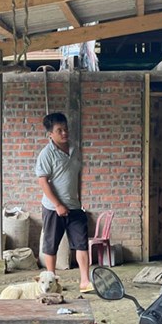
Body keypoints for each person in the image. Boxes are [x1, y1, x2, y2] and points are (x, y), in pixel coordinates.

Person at [35, 112, 94, 293]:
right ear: (50, 134)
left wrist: (78, 199)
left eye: (65, 129)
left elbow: (76, 176)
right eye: (59, 130)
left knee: (81, 244)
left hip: (74, 206)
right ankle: (51, 281)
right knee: (51, 245)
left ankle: (84, 281)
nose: (64, 133)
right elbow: (43, 181)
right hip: (53, 208)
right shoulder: (46, 154)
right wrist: (58, 205)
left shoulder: (75, 150)